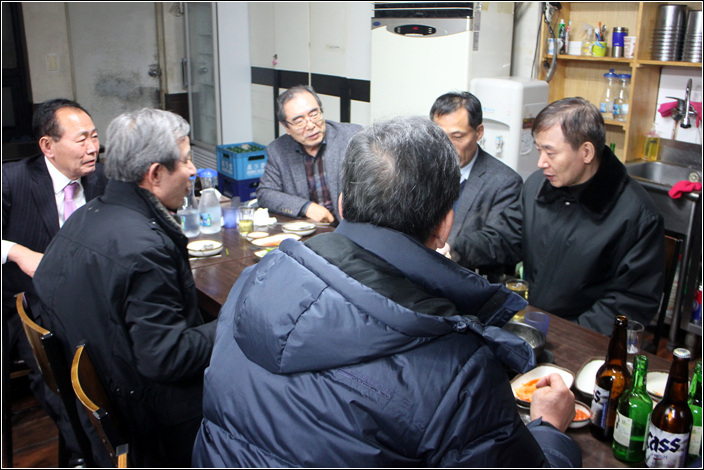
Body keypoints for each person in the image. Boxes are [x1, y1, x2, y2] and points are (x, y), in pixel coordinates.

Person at [192, 116, 581, 467]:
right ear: (445, 227)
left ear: (342, 205)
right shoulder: (458, 367)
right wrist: (549, 429)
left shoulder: (254, 279)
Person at [32, 108, 217, 468]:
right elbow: (167, 358)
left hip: (101, 401)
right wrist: (232, 320)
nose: (193, 170)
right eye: (185, 160)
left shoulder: (86, 216)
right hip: (150, 424)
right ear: (155, 174)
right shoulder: (143, 248)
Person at [449, 97, 665, 335]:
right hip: (535, 322)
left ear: (586, 152)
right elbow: (504, 238)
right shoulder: (538, 186)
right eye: (539, 150)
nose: (541, 163)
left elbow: (630, 302)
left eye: (550, 153)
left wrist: (568, 336)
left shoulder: (637, 215)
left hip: (584, 338)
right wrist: (456, 249)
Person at [2, 98, 107, 465]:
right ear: (48, 146)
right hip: (29, 303)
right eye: (81, 140)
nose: (93, 148)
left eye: (95, 136)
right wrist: (17, 251)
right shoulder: (13, 179)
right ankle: (87, 456)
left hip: (88, 299)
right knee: (56, 371)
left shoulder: (101, 179)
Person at [430, 91, 523, 281]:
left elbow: (501, 241)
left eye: (457, 136)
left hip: (468, 279)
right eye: (440, 136)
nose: (447, 146)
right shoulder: (424, 169)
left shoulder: (504, 181)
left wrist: (452, 247)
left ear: (478, 132)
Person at [256, 85, 362, 224]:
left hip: (350, 229)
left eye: (314, 114)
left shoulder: (352, 137)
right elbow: (265, 194)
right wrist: (306, 207)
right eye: (299, 121)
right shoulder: (278, 150)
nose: (310, 125)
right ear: (286, 127)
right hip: (310, 230)